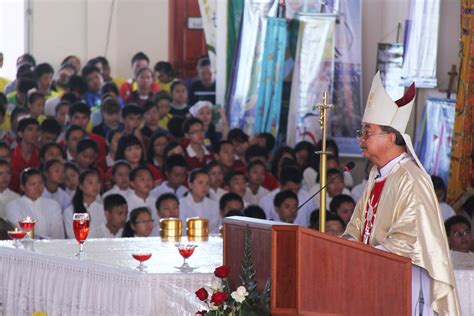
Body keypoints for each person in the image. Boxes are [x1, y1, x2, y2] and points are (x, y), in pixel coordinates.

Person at [342, 72, 460, 314]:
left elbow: (410, 239)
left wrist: (364, 255)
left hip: (403, 282)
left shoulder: (410, 179)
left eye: (367, 132)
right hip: (371, 277)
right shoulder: (378, 174)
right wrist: (349, 246)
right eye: (361, 132)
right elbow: (357, 226)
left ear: (390, 138)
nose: (361, 139)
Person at [6, 168, 64, 239]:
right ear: (22, 187)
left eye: (41, 183)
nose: (38, 187)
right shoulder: (13, 206)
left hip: (51, 247)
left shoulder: (53, 205)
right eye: (33, 184)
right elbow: (19, 234)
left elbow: (58, 235)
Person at [63, 169, 104, 239]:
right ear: (81, 186)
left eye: (98, 182)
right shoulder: (70, 211)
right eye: (90, 183)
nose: (95, 186)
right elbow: (72, 236)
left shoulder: (103, 209)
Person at [179, 169, 220, 234]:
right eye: (200, 183)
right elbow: (183, 227)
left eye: (207, 183)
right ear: (190, 184)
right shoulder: (181, 204)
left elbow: (214, 227)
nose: (204, 186)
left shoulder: (214, 205)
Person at [10, 117, 40, 192]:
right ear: (20, 134)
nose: (35, 133)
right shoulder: (11, 154)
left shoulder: (40, 154)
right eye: (30, 129)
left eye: (37, 130)